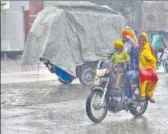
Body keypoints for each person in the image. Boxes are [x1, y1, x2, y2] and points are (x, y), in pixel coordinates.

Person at [127, 32, 158, 103]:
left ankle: (148, 94)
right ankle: (142, 94)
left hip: (146, 68)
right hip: (134, 68)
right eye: (140, 40)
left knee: (154, 78)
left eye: (143, 40)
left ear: (146, 40)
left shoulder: (147, 47)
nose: (142, 42)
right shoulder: (132, 48)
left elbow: (152, 58)